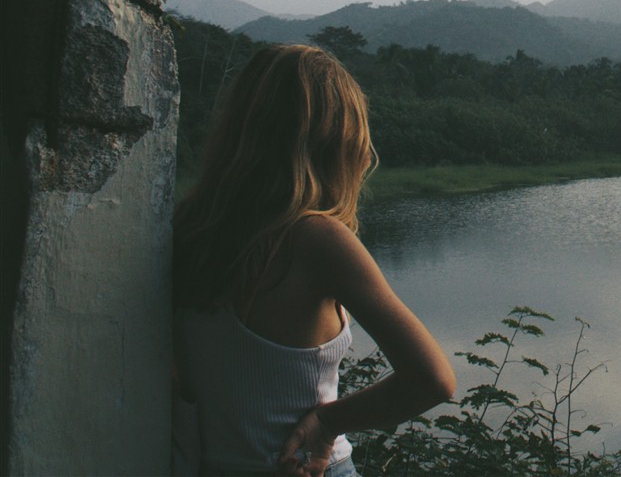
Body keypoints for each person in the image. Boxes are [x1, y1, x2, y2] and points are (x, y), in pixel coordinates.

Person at [172, 44, 455, 476]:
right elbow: (433, 380)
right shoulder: (315, 239)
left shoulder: (188, 229)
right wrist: (329, 420)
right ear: (337, 144)